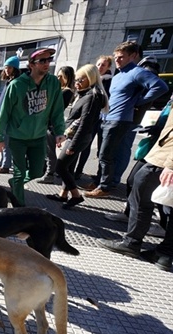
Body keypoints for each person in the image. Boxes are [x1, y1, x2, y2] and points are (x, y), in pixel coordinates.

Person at [85, 41, 168, 198]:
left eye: (121, 57)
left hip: (119, 120)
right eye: (116, 57)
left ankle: (105, 187)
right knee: (103, 155)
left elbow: (160, 86)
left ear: (133, 55)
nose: (117, 60)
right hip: (107, 117)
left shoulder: (137, 72)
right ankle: (101, 182)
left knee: (107, 155)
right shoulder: (119, 74)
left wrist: (139, 101)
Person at [97, 110, 173, 272]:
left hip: (165, 158)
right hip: (163, 155)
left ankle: (131, 243)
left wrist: (171, 165)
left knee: (140, 194)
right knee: (166, 204)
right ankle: (165, 253)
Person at [0, 48, 66, 206]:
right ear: (31, 64)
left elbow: (57, 109)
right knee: (20, 173)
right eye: (42, 61)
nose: (47, 63)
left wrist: (60, 131)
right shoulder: (16, 85)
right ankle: (20, 207)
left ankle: (14, 182)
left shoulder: (53, 82)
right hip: (17, 138)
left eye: (49, 59)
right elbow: (4, 113)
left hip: (39, 136)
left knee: (37, 171)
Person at [46, 64, 108, 209]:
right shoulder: (86, 94)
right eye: (76, 80)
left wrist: (72, 145)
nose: (77, 83)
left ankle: (76, 196)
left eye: (81, 80)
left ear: (91, 79)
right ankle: (63, 194)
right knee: (68, 166)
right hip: (74, 136)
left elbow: (85, 124)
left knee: (60, 167)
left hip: (78, 138)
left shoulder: (92, 96)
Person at [74, 55, 113, 180]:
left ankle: (80, 171)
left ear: (108, 68)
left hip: (100, 119)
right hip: (88, 119)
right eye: (99, 64)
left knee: (89, 146)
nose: (100, 67)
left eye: (103, 65)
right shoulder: (89, 81)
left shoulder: (108, 82)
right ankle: (73, 170)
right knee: (80, 144)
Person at [38, 66, 76, 184]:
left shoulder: (66, 92)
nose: (58, 78)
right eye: (57, 76)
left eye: (61, 76)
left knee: (50, 150)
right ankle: (47, 171)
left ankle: (49, 174)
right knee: (46, 149)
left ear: (67, 77)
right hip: (48, 123)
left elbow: (55, 108)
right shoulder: (60, 89)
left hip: (52, 125)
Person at [0, 56, 20, 174]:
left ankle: (5, 165)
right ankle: (3, 161)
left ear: (15, 69)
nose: (7, 70)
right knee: (3, 142)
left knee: (5, 143)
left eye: (9, 68)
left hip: (8, 119)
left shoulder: (15, 83)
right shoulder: (9, 81)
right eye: (6, 68)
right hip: (3, 118)